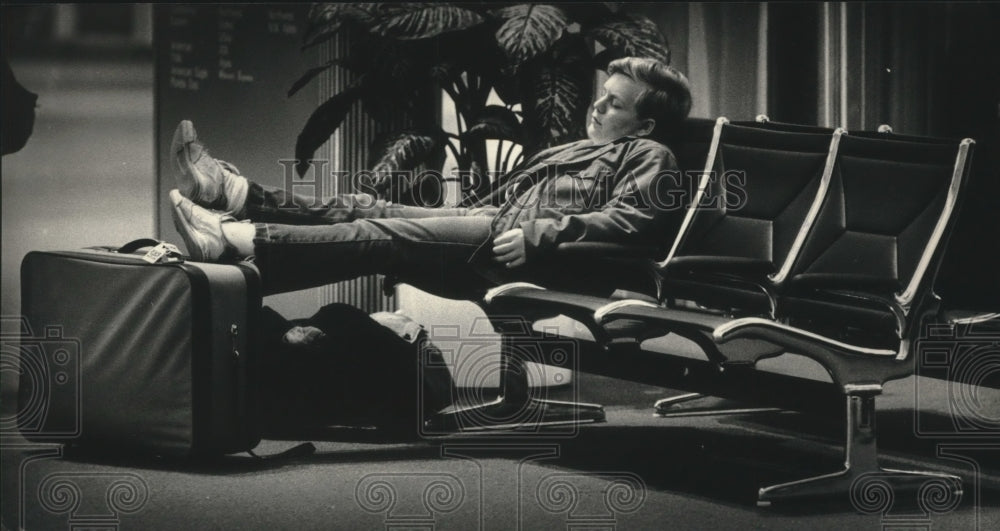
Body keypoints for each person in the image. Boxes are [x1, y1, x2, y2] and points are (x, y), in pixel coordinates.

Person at [169, 57, 693, 296]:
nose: (597, 105)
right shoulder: (584, 146)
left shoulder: (650, 155)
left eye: (614, 103)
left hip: (522, 248)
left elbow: (633, 222)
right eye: (602, 94)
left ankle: (239, 239)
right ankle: (233, 194)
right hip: (488, 221)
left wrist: (539, 235)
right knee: (367, 208)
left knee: (382, 232)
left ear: (644, 123)